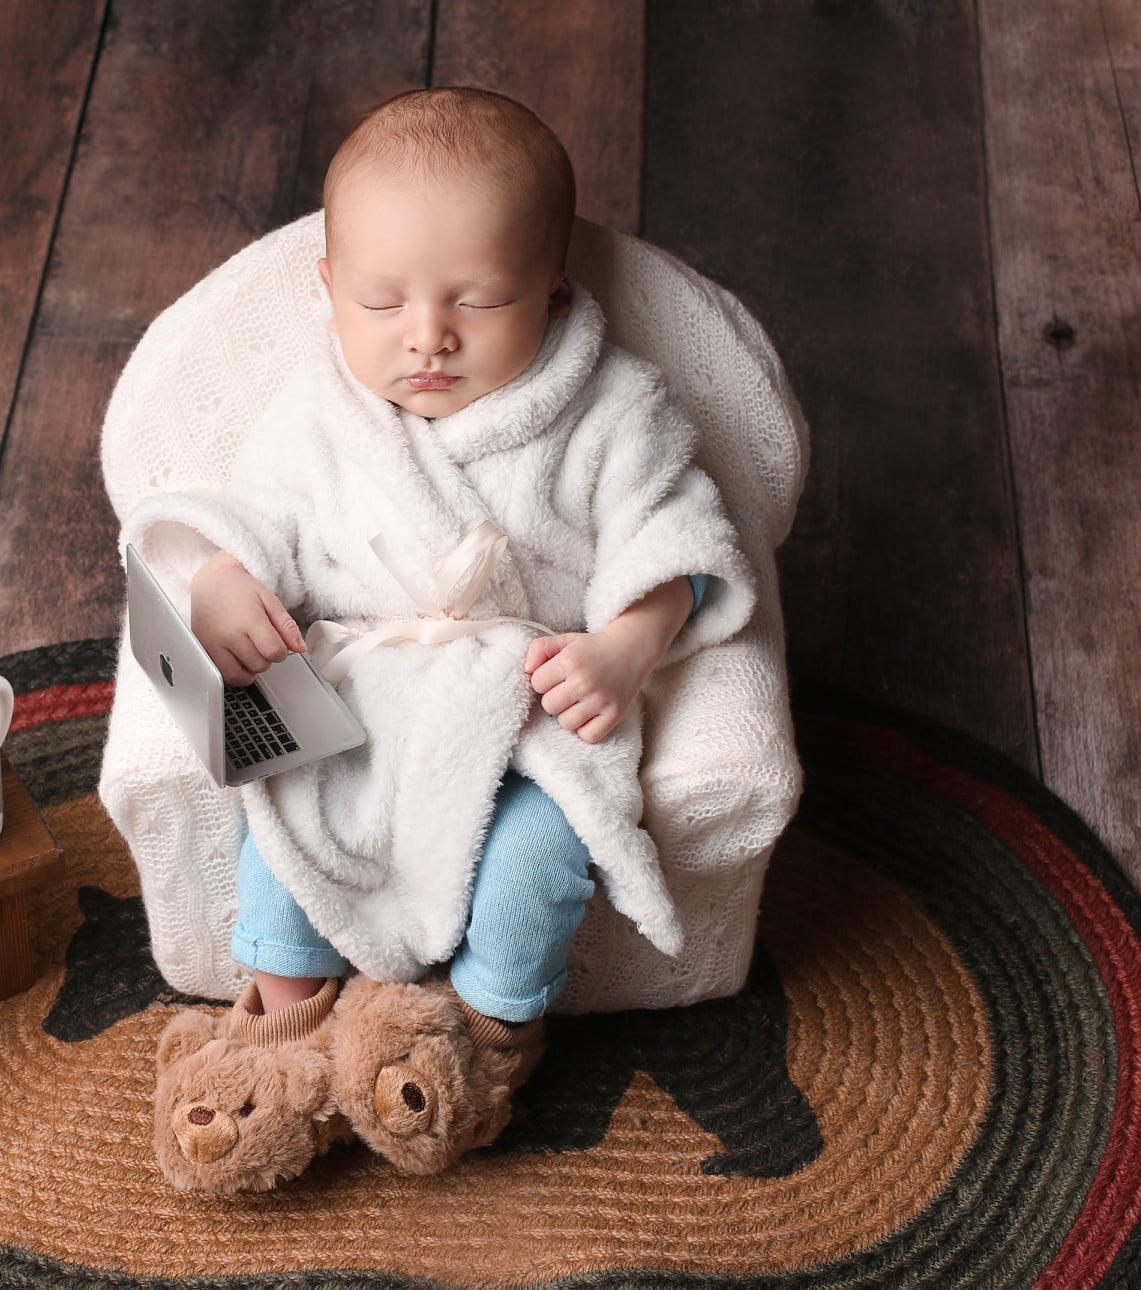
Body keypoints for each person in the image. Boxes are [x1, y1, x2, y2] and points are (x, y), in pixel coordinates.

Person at [123, 87, 754, 1193]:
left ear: (555, 283)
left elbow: (680, 537)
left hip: (523, 713)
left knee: (537, 863)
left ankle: (469, 1046)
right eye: (382, 301)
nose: (428, 335)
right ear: (329, 292)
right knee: (281, 841)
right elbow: (251, 519)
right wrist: (222, 578)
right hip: (356, 702)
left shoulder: (613, 407)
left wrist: (625, 647)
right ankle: (283, 1038)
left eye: (478, 298)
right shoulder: (319, 409)